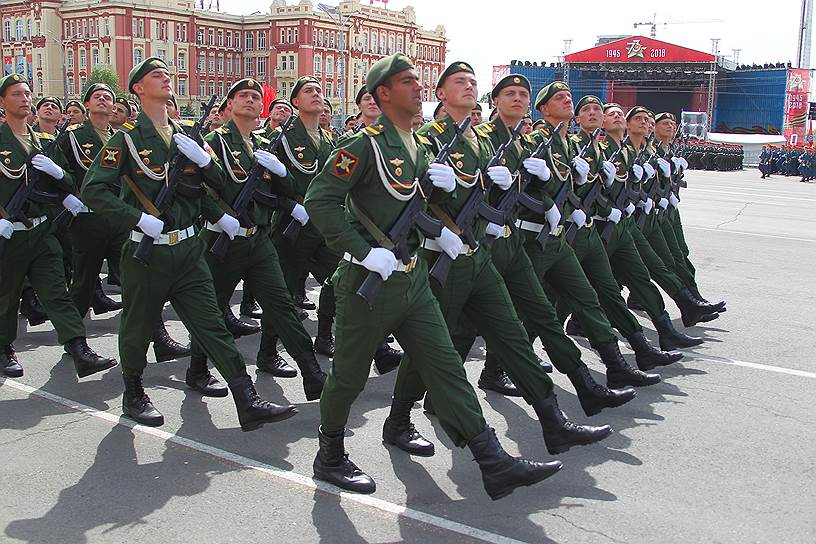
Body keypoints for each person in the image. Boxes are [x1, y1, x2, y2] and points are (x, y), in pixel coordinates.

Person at [304, 53, 563, 500]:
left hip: (414, 279)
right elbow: (320, 201)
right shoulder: (363, 145)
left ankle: (491, 459)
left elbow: (417, 211)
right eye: (408, 82)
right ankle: (329, 454)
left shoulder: (418, 147)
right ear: (383, 93)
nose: (419, 88)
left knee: (446, 367)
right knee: (348, 376)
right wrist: (364, 253)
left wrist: (447, 214)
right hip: (369, 284)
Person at [389, 61, 615, 457]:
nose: (468, 86)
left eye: (473, 81)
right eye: (459, 81)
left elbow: (487, 199)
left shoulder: (479, 142)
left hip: (481, 255)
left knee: (513, 334)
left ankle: (553, 420)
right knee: (433, 346)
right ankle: (398, 419)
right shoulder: (426, 138)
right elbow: (405, 203)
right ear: (440, 94)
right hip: (445, 258)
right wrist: (435, 215)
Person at [81, 57, 296, 429]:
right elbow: (93, 190)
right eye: (155, 75)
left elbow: (209, 187)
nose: (165, 78)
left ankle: (246, 399)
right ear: (137, 89)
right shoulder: (127, 139)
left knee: (211, 323)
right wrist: (138, 218)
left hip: (188, 249)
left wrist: (216, 203)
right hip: (147, 251)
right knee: (138, 325)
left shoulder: (187, 136)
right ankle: (133, 393)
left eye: (167, 73)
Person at [194, 77, 327, 400]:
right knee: (213, 309)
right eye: (243, 96)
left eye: (256, 96)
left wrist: (281, 174)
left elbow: (281, 191)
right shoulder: (215, 142)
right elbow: (196, 188)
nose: (251, 101)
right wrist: (218, 217)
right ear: (230, 106)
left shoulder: (264, 143)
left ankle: (312, 373)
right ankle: (197, 369)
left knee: (281, 304)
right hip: (223, 240)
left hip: (259, 238)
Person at [0, 73, 118, 379]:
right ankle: (3, 349)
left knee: (57, 294)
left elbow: (66, 180)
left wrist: (56, 173)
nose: (24, 98)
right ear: (2, 102)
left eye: (27, 93)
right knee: (7, 297)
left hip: (41, 233)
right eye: (16, 94)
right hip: (8, 235)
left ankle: (79, 349)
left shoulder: (45, 141)